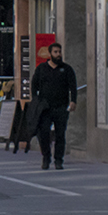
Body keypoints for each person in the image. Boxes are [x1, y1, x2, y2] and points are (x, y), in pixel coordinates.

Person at [30, 41, 79, 170]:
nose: (58, 54)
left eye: (59, 52)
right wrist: (35, 100)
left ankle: (59, 160)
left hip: (61, 107)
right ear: (50, 54)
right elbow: (34, 84)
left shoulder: (67, 69)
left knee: (60, 134)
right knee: (44, 133)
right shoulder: (42, 69)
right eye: (55, 52)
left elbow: (73, 86)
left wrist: (73, 101)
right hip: (45, 107)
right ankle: (46, 157)